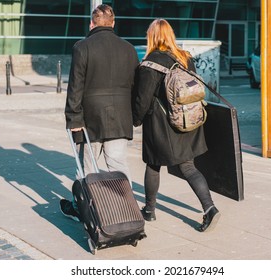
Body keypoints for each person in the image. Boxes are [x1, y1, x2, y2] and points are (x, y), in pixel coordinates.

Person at [132, 19, 220, 232]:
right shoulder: (185, 58)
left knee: (153, 164)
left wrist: (135, 120)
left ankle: (150, 210)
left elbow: (142, 99)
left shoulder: (150, 63)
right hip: (188, 121)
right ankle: (209, 208)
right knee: (188, 166)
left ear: (151, 36)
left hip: (161, 126)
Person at [60, 4, 139, 221]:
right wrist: (134, 115)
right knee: (118, 165)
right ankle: (128, 211)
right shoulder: (128, 49)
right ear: (113, 23)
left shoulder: (82, 47)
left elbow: (75, 86)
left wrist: (73, 117)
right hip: (120, 117)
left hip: (89, 118)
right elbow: (135, 87)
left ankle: (85, 211)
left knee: (87, 167)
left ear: (91, 23)